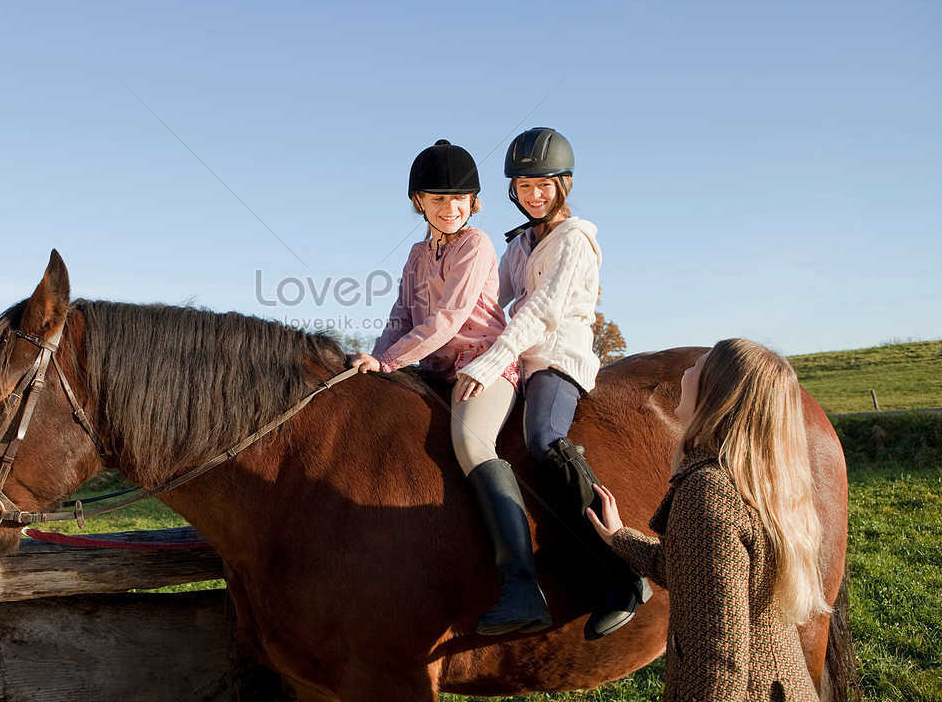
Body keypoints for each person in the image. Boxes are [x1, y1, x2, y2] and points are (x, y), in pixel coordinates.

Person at [455, 127, 650, 640]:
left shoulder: (576, 239)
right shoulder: (519, 244)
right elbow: (491, 299)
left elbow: (542, 311)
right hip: (519, 356)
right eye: (522, 186)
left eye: (543, 184)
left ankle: (624, 571)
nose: (533, 194)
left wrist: (494, 356)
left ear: (562, 184)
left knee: (542, 440)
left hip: (556, 357)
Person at [351, 138, 551, 636]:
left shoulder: (477, 245)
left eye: (458, 199)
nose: (449, 208)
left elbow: (448, 317)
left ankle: (523, 586)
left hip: (483, 364)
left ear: (473, 202)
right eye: (437, 199)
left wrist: (391, 360)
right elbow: (402, 315)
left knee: (469, 441)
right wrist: (376, 360)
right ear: (419, 202)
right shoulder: (417, 255)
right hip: (432, 367)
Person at [587, 338, 831, 701]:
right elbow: (692, 573)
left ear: (716, 393)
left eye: (696, 369)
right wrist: (620, 537)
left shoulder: (708, 490)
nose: (684, 374)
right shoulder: (761, 481)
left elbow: (719, 660)